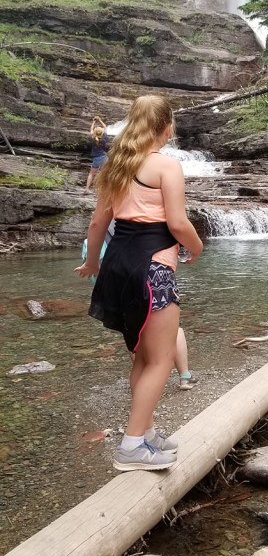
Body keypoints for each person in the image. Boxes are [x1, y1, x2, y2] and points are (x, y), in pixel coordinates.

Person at [75, 94, 203, 472]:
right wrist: (196, 247)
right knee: (162, 359)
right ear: (168, 128)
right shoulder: (166, 166)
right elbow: (178, 224)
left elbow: (99, 224)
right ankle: (132, 447)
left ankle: (144, 431)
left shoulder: (114, 164)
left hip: (118, 265)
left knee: (143, 357)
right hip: (153, 267)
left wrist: (92, 261)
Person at [82, 223, 198, 389]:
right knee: (173, 330)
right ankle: (184, 376)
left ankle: (144, 384)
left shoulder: (113, 215)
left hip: (117, 279)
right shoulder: (150, 212)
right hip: (150, 273)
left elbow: (95, 228)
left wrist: (91, 264)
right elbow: (178, 228)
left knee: (134, 333)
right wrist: (197, 247)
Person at [85, 117, 109, 192]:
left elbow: (91, 130)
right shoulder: (104, 137)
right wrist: (100, 120)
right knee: (103, 174)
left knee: (91, 174)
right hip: (104, 158)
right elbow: (105, 127)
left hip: (96, 158)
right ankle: (100, 189)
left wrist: (94, 122)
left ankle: (87, 188)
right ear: (102, 133)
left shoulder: (93, 138)